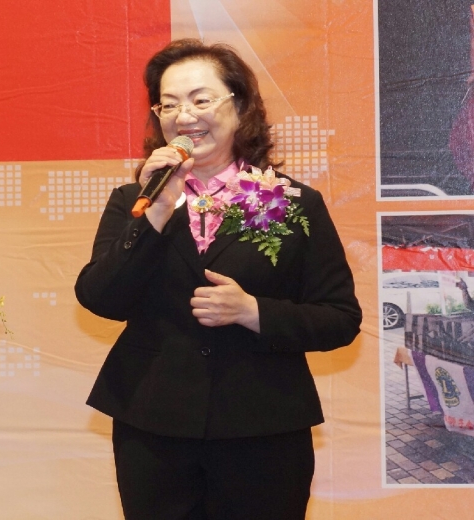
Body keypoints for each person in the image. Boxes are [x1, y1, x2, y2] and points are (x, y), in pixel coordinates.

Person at [75, 39, 362, 520]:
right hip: (153, 426)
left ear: (241, 106)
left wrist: (255, 312)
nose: (183, 116)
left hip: (263, 426)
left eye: (200, 100)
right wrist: (155, 214)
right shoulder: (134, 200)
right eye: (168, 105)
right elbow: (100, 298)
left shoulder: (295, 203)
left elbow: (340, 318)